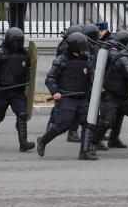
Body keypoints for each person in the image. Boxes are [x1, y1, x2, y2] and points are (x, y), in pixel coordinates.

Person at [37, 32, 97, 160]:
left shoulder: (87, 60)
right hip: (66, 97)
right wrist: (55, 92)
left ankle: (84, 152)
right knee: (63, 125)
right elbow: (50, 78)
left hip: (81, 97)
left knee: (89, 124)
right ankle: (43, 140)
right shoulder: (61, 60)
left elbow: (92, 78)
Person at [89, 38, 128, 156]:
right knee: (107, 122)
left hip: (122, 99)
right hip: (111, 97)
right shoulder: (123, 60)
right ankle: (93, 144)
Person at [0, 27, 35, 152]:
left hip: (17, 91)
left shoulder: (25, 54)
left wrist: (27, 81)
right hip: (2, 91)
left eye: (20, 42)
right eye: (15, 41)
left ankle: (23, 143)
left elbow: (28, 70)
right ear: (9, 41)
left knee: (22, 115)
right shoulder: (0, 53)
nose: (18, 44)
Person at [46, 25, 84, 143]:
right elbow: (54, 74)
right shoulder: (64, 48)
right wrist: (55, 90)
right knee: (59, 109)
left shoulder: (81, 52)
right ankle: (51, 127)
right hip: (64, 80)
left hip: (76, 85)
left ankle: (71, 132)